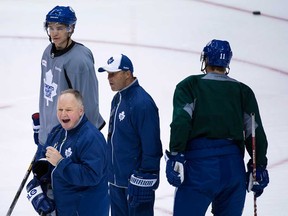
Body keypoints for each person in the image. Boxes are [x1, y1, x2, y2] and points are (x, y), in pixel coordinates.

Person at [165, 39, 269, 216]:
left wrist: (176, 154)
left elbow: (181, 122)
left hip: (199, 168)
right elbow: (254, 131)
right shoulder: (243, 91)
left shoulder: (189, 85)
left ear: (205, 59)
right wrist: (258, 166)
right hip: (233, 169)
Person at [98, 54, 163, 216]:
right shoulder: (117, 99)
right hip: (116, 181)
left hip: (135, 184)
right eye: (107, 74)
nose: (108, 78)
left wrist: (145, 178)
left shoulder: (143, 103)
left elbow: (152, 145)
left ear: (127, 73)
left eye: (113, 74)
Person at [26, 89, 109, 216]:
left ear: (81, 111)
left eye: (68, 110)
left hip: (85, 211)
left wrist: (60, 162)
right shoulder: (57, 132)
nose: (63, 114)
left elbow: (92, 176)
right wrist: (40, 183)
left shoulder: (92, 138)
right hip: (64, 209)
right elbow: (45, 160)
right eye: (60, 109)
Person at [37, 5, 105, 148]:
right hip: (48, 137)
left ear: (71, 29)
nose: (54, 33)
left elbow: (89, 103)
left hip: (69, 140)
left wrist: (87, 140)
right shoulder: (47, 52)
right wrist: (42, 129)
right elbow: (47, 94)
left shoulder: (79, 60)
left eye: (60, 28)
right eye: (51, 27)